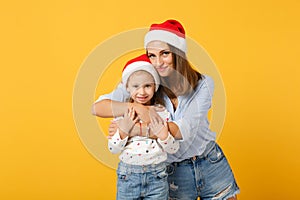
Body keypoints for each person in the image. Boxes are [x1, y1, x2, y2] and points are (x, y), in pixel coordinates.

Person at [93, 19, 239, 200]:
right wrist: (136, 106)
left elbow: (183, 130)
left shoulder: (204, 84)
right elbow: (98, 107)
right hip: (173, 174)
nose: (158, 62)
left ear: (178, 54)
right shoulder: (146, 84)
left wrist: (131, 129)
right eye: (152, 55)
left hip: (210, 163)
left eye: (165, 54)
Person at [106, 54, 179, 200]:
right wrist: (123, 131)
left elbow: (173, 149)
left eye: (147, 86)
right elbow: (113, 149)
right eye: (135, 86)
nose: (142, 92)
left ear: (155, 86)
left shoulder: (161, 112)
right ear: (127, 87)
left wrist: (164, 135)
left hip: (157, 177)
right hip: (128, 177)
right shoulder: (122, 114)